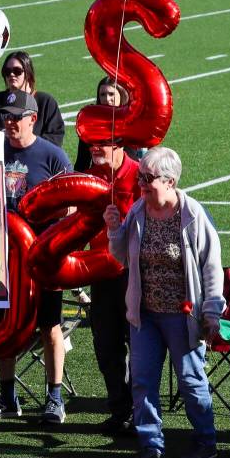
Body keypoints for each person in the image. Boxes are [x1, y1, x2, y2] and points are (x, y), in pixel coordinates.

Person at [105, 146, 225, 458]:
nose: (141, 183)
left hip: (182, 315)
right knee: (142, 381)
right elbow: (120, 257)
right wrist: (114, 229)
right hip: (144, 314)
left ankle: (205, 442)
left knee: (190, 380)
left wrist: (212, 312)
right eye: (140, 176)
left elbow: (212, 267)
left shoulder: (193, 215)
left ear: (169, 181)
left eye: (148, 178)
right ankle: (151, 447)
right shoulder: (138, 211)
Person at [0, 89, 73, 424]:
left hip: (41, 256)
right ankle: (7, 396)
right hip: (1, 256)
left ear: (32, 119)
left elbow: (71, 203)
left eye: (16, 117)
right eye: (6, 117)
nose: (10, 123)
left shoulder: (51, 155)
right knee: (2, 324)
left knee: (50, 325)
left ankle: (54, 397)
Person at [88, 140, 141, 437]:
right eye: (91, 144)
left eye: (101, 144)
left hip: (131, 272)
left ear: (120, 144)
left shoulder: (138, 174)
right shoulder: (91, 175)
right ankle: (119, 408)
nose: (95, 150)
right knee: (105, 344)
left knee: (137, 343)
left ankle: (139, 410)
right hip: (100, 270)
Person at [0, 51, 65, 149]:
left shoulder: (46, 102)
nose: (12, 75)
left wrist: (25, 144)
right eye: (7, 72)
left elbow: (55, 138)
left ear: (28, 73)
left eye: (17, 71)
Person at [73, 77, 130, 172]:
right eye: (103, 95)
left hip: (127, 174)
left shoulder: (130, 120)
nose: (107, 99)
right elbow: (82, 161)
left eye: (111, 94)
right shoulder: (90, 122)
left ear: (121, 94)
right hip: (99, 176)